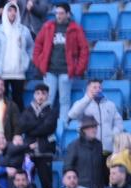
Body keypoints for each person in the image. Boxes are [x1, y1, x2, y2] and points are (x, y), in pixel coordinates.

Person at [32, 3, 87, 137]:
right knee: (47, 101)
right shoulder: (48, 26)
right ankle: (46, 129)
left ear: (68, 14)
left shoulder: (75, 29)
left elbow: (84, 49)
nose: (58, 15)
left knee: (64, 101)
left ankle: (62, 131)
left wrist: (77, 69)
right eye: (57, 13)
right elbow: (38, 45)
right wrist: (40, 64)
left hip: (66, 72)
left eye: (61, 13)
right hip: (49, 70)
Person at [0, 2, 32, 107]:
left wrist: (26, 62)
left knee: (18, 101)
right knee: (2, 102)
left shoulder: (24, 31)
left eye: (15, 10)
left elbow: (31, 48)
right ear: (5, 12)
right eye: (10, 10)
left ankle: (19, 123)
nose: (13, 13)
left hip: (19, 74)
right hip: (2, 73)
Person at [19, 83, 58, 188]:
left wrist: (30, 130)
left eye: (43, 93)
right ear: (34, 95)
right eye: (38, 93)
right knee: (27, 182)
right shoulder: (27, 110)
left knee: (47, 183)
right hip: (29, 152)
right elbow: (22, 126)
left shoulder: (52, 111)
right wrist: (39, 123)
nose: (40, 96)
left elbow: (47, 128)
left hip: (45, 151)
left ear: (48, 95)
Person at [67, 82, 124, 157]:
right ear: (88, 88)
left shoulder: (110, 105)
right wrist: (87, 99)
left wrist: (112, 135)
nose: (98, 89)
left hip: (107, 149)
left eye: (99, 87)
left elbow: (119, 123)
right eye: (94, 87)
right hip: (88, 149)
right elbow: (72, 114)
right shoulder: (81, 104)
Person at [65, 116, 109, 188]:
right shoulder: (74, 145)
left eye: (95, 127)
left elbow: (103, 167)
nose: (95, 130)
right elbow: (68, 168)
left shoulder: (99, 145)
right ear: (84, 130)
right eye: (92, 127)